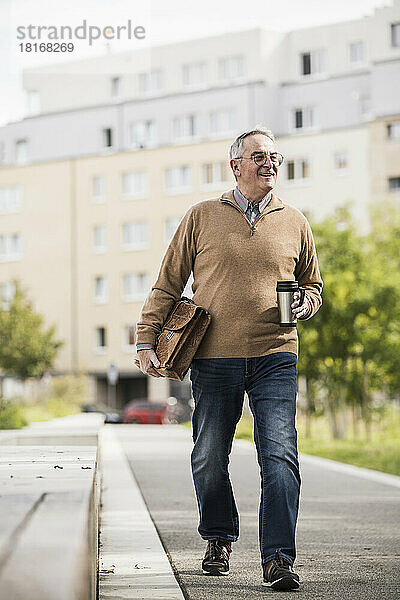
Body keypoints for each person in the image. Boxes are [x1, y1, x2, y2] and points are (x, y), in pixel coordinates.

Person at [135, 127, 323, 591]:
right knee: (208, 455)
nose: (270, 162)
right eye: (259, 155)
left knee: (279, 454)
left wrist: (305, 303)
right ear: (236, 165)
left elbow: (314, 286)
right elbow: (167, 284)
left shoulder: (295, 221)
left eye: (275, 156)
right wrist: (145, 340)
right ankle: (218, 535)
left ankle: (279, 558)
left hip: (276, 355)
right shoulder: (201, 216)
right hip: (213, 357)